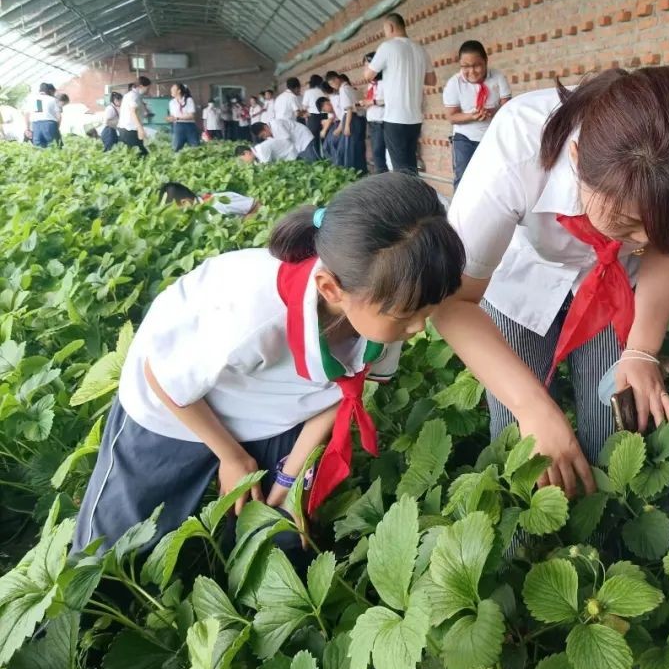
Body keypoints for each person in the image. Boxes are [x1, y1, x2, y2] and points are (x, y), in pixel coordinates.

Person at [73, 174, 467, 552]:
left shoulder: (387, 311)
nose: (418, 326)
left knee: (278, 531)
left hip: (273, 410)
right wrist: (232, 456)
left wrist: (291, 475)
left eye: (427, 310)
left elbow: (343, 391)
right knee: (117, 544)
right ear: (332, 289)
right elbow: (161, 377)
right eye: (407, 315)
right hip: (175, 409)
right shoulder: (250, 311)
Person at [434, 67, 669, 496]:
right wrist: (533, 408)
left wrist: (642, 349)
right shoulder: (516, 150)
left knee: (613, 419)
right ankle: (523, 550)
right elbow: (453, 302)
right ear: (576, 157)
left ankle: (601, 534)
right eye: (626, 223)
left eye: (660, 227)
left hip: (613, 288)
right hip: (520, 280)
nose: (644, 241)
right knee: (522, 435)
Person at [363, 12, 435, 175]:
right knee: (410, 166)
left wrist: (368, 64)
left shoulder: (387, 47)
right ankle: (416, 197)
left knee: (401, 170)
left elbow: (368, 76)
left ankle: (408, 199)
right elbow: (432, 80)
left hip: (395, 118)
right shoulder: (420, 49)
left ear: (390, 27)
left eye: (385, 30)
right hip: (415, 119)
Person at [443, 40, 511, 187]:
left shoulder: (498, 77)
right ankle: (460, 210)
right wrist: (472, 116)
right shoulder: (454, 84)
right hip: (464, 139)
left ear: (486, 61)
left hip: (492, 137)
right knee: (463, 181)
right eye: (465, 66)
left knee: (493, 180)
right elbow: (451, 116)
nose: (472, 71)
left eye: (477, 65)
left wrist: (493, 112)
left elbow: (508, 107)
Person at [158, 181, 260, 218]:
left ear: (185, 202)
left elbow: (257, 206)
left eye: (174, 211)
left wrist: (242, 225)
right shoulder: (191, 224)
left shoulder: (219, 201)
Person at [327, 72, 364, 172]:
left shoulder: (343, 89)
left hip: (351, 119)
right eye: (330, 84)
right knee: (356, 146)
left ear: (336, 79)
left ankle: (353, 172)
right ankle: (361, 170)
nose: (332, 86)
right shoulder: (349, 88)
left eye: (332, 83)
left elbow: (348, 109)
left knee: (350, 148)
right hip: (356, 118)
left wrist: (347, 125)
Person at [241, 119, 318, 163]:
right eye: (263, 137)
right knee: (306, 162)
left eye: (264, 135)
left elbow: (286, 141)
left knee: (313, 161)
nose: (265, 137)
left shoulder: (276, 125)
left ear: (265, 127)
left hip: (304, 139)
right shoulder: (270, 134)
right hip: (296, 145)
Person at [362, 55, 388, 173]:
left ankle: (383, 180)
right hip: (372, 122)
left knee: (379, 153)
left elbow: (388, 100)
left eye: (368, 67)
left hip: (381, 122)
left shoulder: (385, 82)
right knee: (376, 153)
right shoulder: (371, 85)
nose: (366, 70)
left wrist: (372, 102)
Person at [118, 76, 151, 157]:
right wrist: (140, 129)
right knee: (140, 155)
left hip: (126, 129)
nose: (148, 90)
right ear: (141, 86)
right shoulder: (134, 96)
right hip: (129, 130)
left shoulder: (131, 95)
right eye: (147, 88)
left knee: (136, 154)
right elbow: (133, 113)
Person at [23, 83, 62, 148]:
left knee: (39, 148)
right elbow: (59, 116)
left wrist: (27, 129)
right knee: (54, 147)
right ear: (48, 91)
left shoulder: (32, 100)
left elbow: (26, 115)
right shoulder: (53, 100)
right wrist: (57, 128)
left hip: (36, 125)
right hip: (50, 125)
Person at [167, 83, 200, 152]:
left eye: (173, 89)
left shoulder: (189, 100)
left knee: (195, 148)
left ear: (179, 91)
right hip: (178, 126)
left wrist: (177, 118)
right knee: (176, 148)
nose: (171, 91)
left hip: (189, 126)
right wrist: (171, 118)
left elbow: (191, 115)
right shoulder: (171, 102)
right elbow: (173, 116)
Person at [302, 74, 325, 157]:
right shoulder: (323, 91)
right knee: (324, 139)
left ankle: (318, 160)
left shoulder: (308, 92)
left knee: (314, 141)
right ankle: (328, 159)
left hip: (313, 118)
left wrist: (306, 116)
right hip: (325, 117)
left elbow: (304, 107)